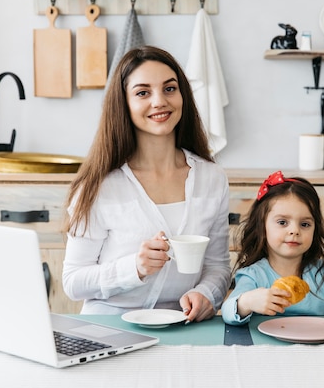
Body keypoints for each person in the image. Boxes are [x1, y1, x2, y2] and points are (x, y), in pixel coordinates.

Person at [62, 45, 231, 323]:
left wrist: (206, 294)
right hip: (110, 324)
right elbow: (73, 282)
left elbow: (217, 267)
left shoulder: (211, 178)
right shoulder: (99, 186)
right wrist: (135, 268)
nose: (159, 101)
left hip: (183, 325)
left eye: (169, 89)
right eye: (143, 92)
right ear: (123, 104)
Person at [221, 171, 324, 325]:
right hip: (267, 346)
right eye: (282, 222)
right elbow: (228, 312)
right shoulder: (254, 275)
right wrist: (247, 302)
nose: (294, 230)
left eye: (305, 224)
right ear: (262, 227)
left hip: (316, 345)